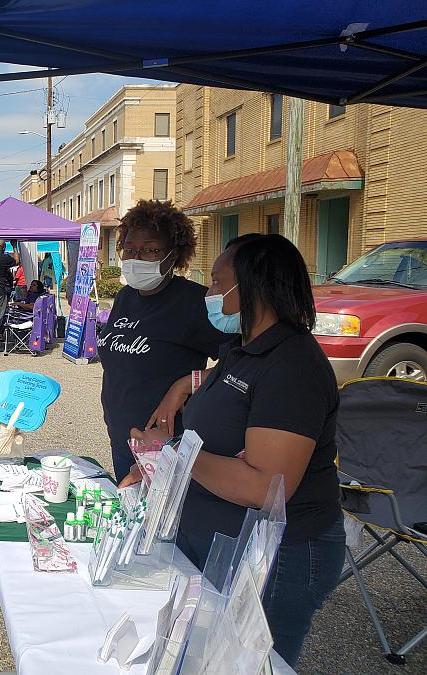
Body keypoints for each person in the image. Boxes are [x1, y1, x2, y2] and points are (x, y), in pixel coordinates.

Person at [131, 233, 344, 666]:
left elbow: (267, 487)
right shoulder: (242, 349)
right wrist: (182, 386)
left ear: (251, 285)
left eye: (216, 282)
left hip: (277, 559)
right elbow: (217, 382)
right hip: (217, 544)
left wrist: (172, 453)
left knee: (251, 665)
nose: (208, 294)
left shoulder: (292, 366)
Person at [98, 200, 226, 482]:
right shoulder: (125, 297)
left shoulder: (195, 302)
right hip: (123, 439)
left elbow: (245, 364)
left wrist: (186, 384)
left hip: (168, 446)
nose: (137, 257)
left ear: (174, 254)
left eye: (151, 250)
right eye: (130, 249)